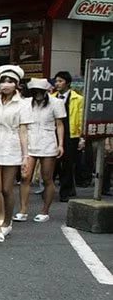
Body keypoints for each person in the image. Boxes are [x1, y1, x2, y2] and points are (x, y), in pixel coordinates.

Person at [0, 64, 29, 242]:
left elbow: (23, 131)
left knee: (6, 189)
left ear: (16, 84)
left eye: (10, 81)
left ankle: (7, 221)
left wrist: (25, 156)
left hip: (12, 148)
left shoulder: (23, 104)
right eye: (3, 81)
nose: (6, 85)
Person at [14, 78, 65, 222]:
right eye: (34, 91)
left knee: (47, 177)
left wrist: (60, 144)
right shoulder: (25, 103)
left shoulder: (56, 103)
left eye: (40, 91)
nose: (37, 94)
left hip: (48, 142)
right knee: (25, 176)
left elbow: (59, 124)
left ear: (46, 91)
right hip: (30, 141)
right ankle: (23, 210)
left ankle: (45, 211)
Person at [53, 71, 84, 202]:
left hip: (71, 135)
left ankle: (65, 192)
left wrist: (82, 137)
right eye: (56, 81)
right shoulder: (51, 97)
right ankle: (50, 188)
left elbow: (81, 118)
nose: (57, 84)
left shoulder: (78, 99)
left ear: (68, 83)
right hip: (53, 134)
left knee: (68, 163)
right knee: (53, 163)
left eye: (60, 81)